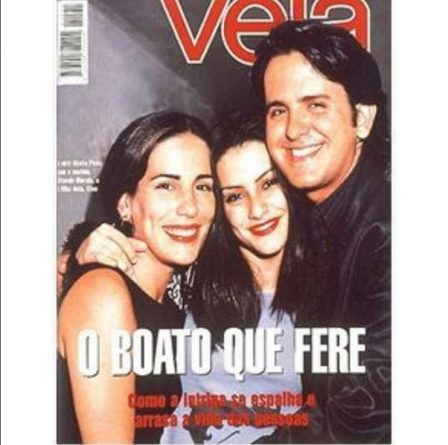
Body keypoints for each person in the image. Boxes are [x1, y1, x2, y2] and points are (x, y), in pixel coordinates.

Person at [251, 20, 391, 443]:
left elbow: (363, 417)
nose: (294, 130)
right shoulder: (311, 216)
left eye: (315, 105)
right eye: (278, 110)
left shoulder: (389, 234)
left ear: (362, 118)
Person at [57, 111, 216, 444]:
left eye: (203, 186)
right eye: (166, 186)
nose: (190, 207)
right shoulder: (104, 294)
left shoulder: (174, 308)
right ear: (126, 205)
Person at [160, 111, 304, 444]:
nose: (257, 209)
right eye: (235, 196)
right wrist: (84, 251)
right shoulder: (190, 273)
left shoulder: (336, 290)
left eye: (269, 183)